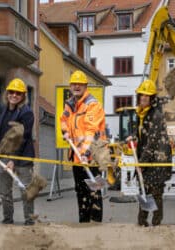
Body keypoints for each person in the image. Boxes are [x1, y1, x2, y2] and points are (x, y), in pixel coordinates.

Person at [0, 78, 36, 225]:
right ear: (7, 93)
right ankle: (8, 220)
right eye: (11, 92)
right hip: (4, 156)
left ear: (23, 96)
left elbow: (22, 138)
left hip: (22, 158)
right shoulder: (4, 109)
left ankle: (29, 222)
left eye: (18, 93)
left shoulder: (26, 113)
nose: (14, 95)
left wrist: (13, 160)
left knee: (25, 191)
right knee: (4, 192)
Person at [60, 70, 106, 223]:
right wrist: (65, 131)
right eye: (74, 84)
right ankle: (83, 224)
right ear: (70, 86)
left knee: (94, 193)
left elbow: (91, 132)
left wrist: (85, 153)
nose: (77, 86)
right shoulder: (70, 105)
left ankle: (96, 226)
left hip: (92, 158)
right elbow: (64, 119)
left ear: (86, 86)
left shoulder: (92, 105)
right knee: (80, 192)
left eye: (80, 84)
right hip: (77, 158)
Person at [130, 79, 172, 227]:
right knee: (143, 190)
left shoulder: (156, 116)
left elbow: (152, 142)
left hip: (157, 159)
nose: (143, 98)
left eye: (147, 96)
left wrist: (142, 162)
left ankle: (156, 224)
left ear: (152, 98)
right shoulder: (140, 114)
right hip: (146, 158)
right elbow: (141, 136)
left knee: (155, 192)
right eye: (142, 95)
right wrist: (133, 137)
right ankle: (142, 222)